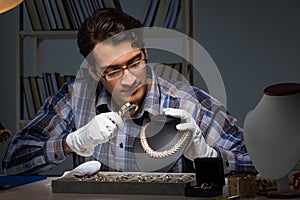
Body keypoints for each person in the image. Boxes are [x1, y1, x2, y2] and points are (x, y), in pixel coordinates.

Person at [3, 8, 256, 175]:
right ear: (93, 72)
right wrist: (71, 143)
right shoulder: (75, 97)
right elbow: (12, 162)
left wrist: (207, 156)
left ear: (145, 53)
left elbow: (260, 166)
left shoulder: (189, 103)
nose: (128, 79)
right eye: (112, 71)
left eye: (134, 63)